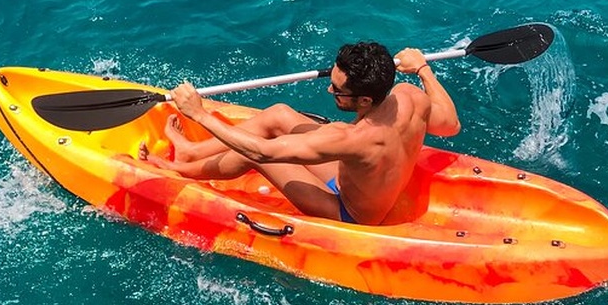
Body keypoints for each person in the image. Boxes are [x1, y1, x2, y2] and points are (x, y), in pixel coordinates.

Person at [139, 42, 460, 226]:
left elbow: (261, 152)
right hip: (366, 180)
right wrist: (423, 69)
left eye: (338, 90)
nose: (329, 89)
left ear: (364, 100)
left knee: (259, 154)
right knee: (279, 114)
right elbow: (450, 126)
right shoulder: (410, 95)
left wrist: (199, 114)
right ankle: (191, 152)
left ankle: (180, 169)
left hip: (351, 211)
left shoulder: (350, 138)